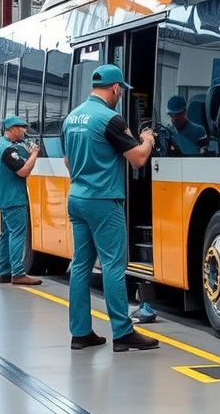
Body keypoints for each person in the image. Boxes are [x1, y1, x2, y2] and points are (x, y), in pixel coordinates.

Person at [62, 64, 159, 352]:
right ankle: (122, 332)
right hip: (103, 201)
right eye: (121, 91)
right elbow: (139, 159)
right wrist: (148, 140)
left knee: (80, 266)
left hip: (76, 198)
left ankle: (80, 333)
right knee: (114, 267)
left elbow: (68, 162)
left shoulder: (72, 118)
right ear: (115, 89)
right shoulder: (110, 119)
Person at [0, 115, 42, 286]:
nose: (24, 131)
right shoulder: (8, 150)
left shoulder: (2, 146)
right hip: (14, 199)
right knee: (17, 234)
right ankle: (18, 273)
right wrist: (34, 153)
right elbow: (23, 171)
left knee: (6, 235)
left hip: (5, 198)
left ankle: (4, 272)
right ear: (11, 129)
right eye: (21, 127)